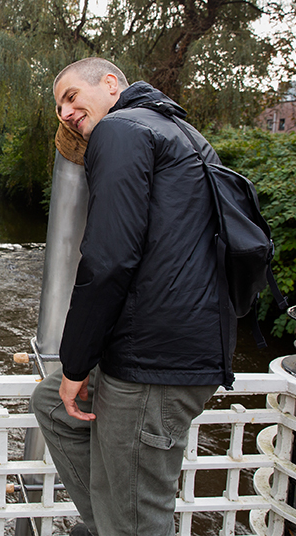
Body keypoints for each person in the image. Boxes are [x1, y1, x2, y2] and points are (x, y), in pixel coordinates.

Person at [31, 58, 232, 536]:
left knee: (137, 522)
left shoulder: (120, 129)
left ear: (110, 83)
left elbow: (108, 259)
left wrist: (76, 365)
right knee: (53, 406)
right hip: (171, 344)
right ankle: (107, 523)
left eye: (72, 96)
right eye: (58, 105)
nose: (64, 111)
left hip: (155, 361)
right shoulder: (180, 132)